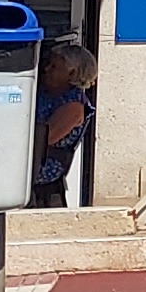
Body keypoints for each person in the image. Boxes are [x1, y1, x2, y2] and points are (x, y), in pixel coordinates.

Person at [32, 39, 96, 207]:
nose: (47, 69)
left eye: (54, 67)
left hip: (43, 164)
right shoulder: (46, 92)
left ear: (72, 74)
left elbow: (45, 138)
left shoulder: (74, 105)